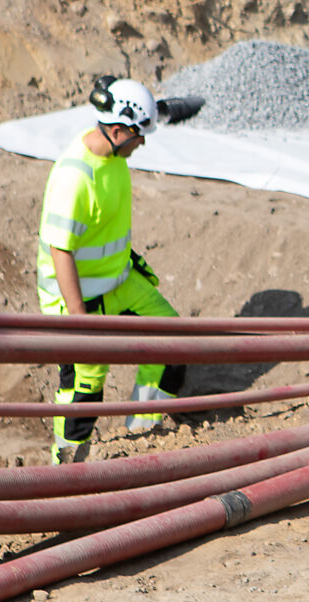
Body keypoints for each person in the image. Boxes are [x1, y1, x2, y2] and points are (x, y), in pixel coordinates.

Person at [36, 77, 196, 464]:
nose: (141, 144)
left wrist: (169, 109)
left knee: (175, 345)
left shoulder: (114, 146)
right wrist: (80, 324)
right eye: (138, 137)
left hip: (119, 280)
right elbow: (61, 253)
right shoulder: (76, 177)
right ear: (119, 129)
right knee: (85, 388)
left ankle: (143, 437)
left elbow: (147, 113)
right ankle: (65, 469)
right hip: (77, 298)